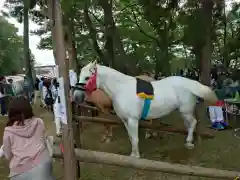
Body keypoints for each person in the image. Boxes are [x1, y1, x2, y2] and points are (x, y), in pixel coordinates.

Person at [1, 96, 54, 180]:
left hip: (20, 172)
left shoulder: (8, 132)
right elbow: (43, 140)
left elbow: (8, 156)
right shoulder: (39, 122)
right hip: (43, 164)